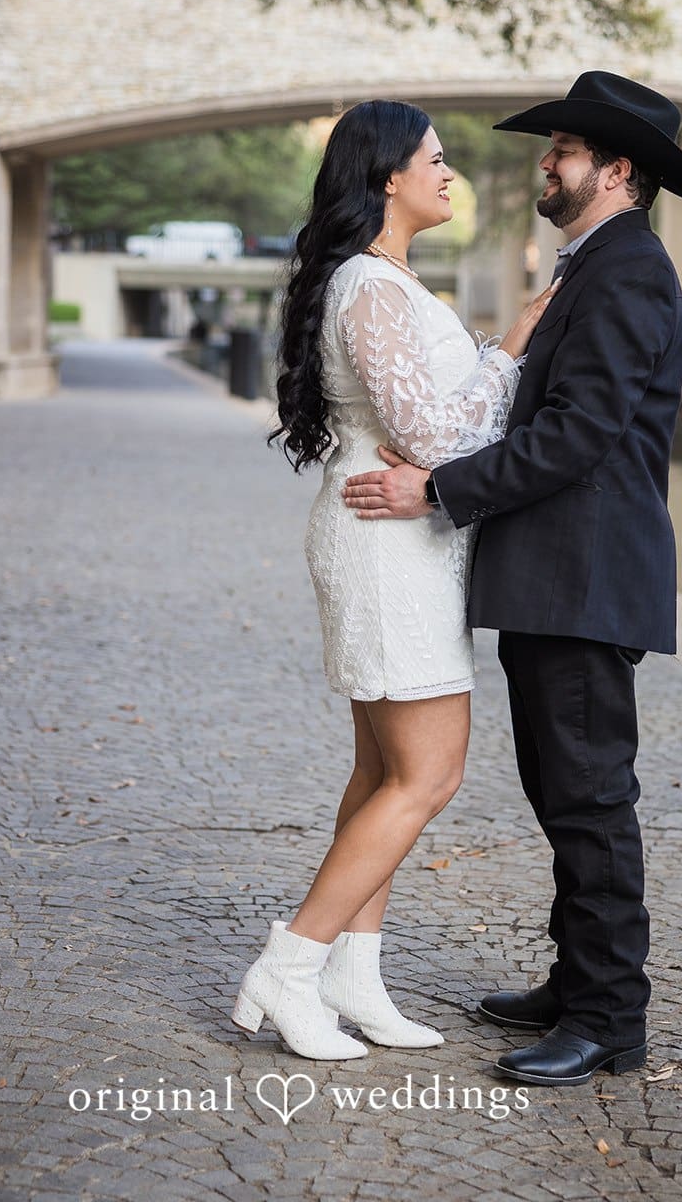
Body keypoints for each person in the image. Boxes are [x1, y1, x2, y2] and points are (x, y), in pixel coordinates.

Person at [343, 70, 682, 1086]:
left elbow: (579, 434)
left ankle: (608, 1016)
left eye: (560, 150)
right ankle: (575, 978)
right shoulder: (597, 263)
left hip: (586, 575)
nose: (542, 163)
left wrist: (439, 489)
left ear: (615, 168)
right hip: (556, 574)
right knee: (562, 791)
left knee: (590, 796)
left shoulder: (629, 268)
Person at [231, 99, 560, 1061]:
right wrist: (508, 354)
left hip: (399, 541)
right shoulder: (370, 288)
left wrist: (499, 345)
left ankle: (352, 976)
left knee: (381, 771)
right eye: (437, 159)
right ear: (387, 177)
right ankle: (288, 966)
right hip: (385, 545)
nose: (449, 175)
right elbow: (430, 438)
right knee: (430, 772)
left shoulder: (382, 281)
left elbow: (425, 427)